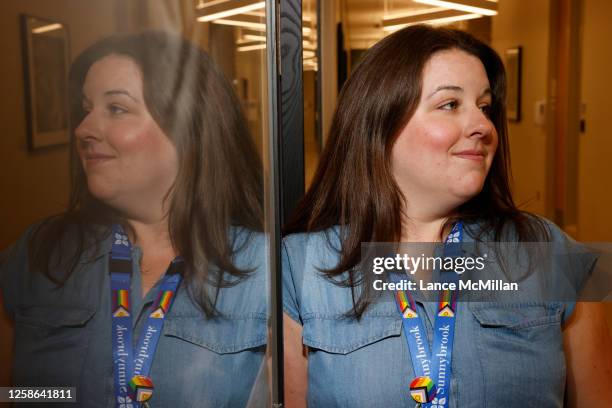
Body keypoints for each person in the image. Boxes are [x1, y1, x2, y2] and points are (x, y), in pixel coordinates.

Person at [282, 25, 612, 407]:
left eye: (485, 107)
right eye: (451, 104)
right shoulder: (301, 266)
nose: (483, 126)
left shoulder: (551, 255)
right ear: (380, 122)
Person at [1, 31, 268, 407]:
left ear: (187, 128)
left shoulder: (265, 273)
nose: (83, 129)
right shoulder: (39, 254)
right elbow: (12, 393)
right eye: (86, 109)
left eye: (116, 109)